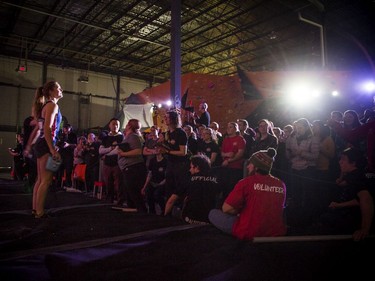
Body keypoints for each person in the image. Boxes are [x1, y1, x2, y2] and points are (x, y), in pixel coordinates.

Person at [209, 148, 287, 240]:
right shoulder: (281, 184)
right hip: (274, 232)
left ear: (256, 167)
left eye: (250, 164)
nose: (248, 166)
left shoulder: (246, 182)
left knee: (213, 213)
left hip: (249, 231)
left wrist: (238, 211)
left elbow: (226, 208)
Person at [317, 147, 374, 241]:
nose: (340, 162)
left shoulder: (355, 177)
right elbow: (340, 183)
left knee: (326, 219)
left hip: (354, 217)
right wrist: (342, 173)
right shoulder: (355, 174)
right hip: (351, 212)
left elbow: (366, 199)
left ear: (353, 163)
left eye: (343, 159)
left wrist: (364, 229)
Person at [29, 81, 63, 218]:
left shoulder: (48, 105)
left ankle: (35, 209)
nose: (61, 90)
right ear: (50, 91)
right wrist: (52, 149)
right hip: (46, 144)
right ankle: (39, 212)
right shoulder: (52, 106)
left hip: (42, 144)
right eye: (58, 88)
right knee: (46, 180)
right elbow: (48, 129)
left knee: (40, 179)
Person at [164, 154, 220, 224]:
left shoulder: (188, 179)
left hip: (190, 220)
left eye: (191, 167)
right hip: (209, 221)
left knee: (176, 209)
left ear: (196, 167)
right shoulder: (217, 180)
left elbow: (171, 201)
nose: (190, 170)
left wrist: (164, 218)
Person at [118, 119, 147, 211]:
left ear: (129, 126)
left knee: (134, 193)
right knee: (130, 193)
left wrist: (122, 154)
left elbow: (138, 151)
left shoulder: (133, 137)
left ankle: (142, 212)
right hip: (130, 168)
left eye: (126, 125)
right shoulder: (130, 137)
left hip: (133, 168)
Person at [99, 118, 124, 203]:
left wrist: (106, 154)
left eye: (117, 124)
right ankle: (109, 201)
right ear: (109, 125)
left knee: (119, 185)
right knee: (108, 184)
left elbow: (117, 150)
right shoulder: (105, 138)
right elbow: (100, 150)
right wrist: (110, 148)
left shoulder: (121, 137)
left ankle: (120, 202)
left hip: (117, 164)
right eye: (113, 124)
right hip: (107, 164)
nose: (115, 126)